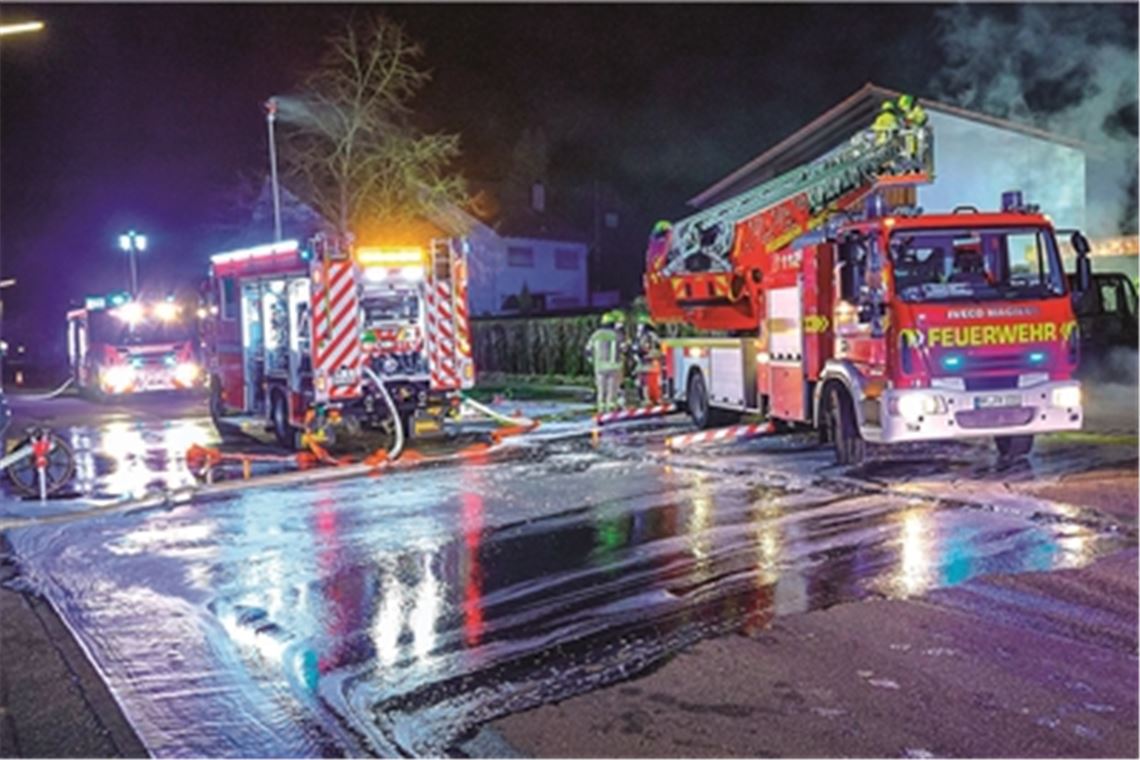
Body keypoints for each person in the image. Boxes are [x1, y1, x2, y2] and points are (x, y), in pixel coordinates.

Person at [585, 311, 624, 413]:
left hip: (599, 367)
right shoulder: (617, 335)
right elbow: (624, 349)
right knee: (612, 392)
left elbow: (588, 351)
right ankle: (611, 410)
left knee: (601, 391)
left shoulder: (595, 335)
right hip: (614, 367)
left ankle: (601, 410)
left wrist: (593, 362)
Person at [631, 314, 663, 405]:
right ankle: (655, 399)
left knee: (644, 383)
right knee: (654, 383)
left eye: (641, 324)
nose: (639, 326)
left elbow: (643, 348)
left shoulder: (645, 336)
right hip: (653, 364)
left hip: (646, 364)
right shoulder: (654, 336)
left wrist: (637, 351)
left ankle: (647, 399)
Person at [895, 93, 928, 170]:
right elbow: (906, 123)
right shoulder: (908, 112)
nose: (903, 110)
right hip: (910, 134)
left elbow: (922, 120)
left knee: (919, 146)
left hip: (917, 133)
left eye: (904, 107)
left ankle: (918, 162)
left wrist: (912, 122)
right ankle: (909, 160)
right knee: (907, 142)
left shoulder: (917, 110)